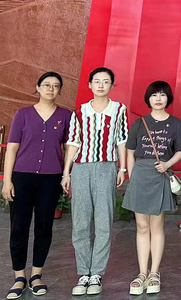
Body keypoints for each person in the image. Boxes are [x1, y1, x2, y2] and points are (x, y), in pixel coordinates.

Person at [2, 72, 72, 299]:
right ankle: (19, 277)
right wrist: (7, 180)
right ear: (38, 87)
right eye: (46, 85)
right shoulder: (22, 114)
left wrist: (66, 174)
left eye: (56, 86)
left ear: (59, 90)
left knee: (44, 227)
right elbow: (12, 148)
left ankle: (36, 275)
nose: (51, 89)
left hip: (51, 179)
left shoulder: (66, 116)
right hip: (22, 177)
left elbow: (70, 147)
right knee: (19, 227)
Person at [61, 67, 128, 296]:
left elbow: (121, 140)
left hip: (107, 167)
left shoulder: (119, 109)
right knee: (80, 222)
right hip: (81, 168)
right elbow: (73, 142)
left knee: (103, 222)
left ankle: (97, 273)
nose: (101, 85)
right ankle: (83, 273)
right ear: (89, 85)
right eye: (96, 81)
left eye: (106, 81)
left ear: (112, 85)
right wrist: (66, 173)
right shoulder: (80, 111)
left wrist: (122, 168)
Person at [123, 81, 181, 295]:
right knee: (141, 226)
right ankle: (142, 273)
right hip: (140, 175)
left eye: (162, 95)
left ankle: (154, 273)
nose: (158, 99)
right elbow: (130, 151)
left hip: (160, 175)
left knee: (156, 226)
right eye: (154, 95)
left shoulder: (175, 123)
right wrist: (132, 176)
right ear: (148, 99)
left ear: (168, 98)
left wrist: (167, 165)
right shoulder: (139, 123)